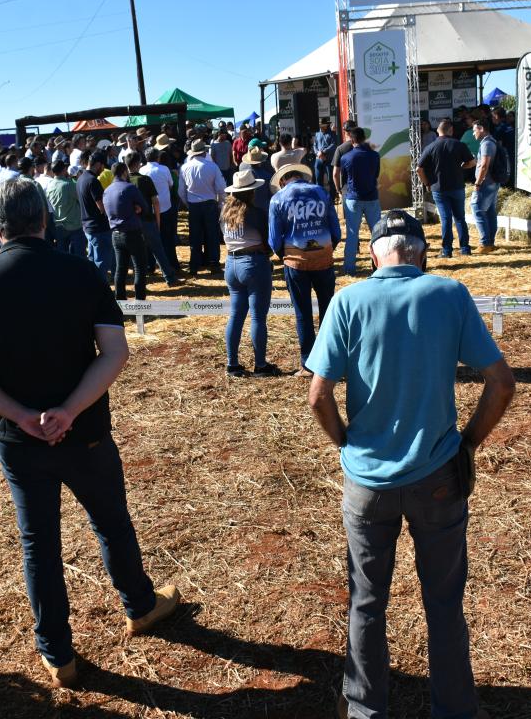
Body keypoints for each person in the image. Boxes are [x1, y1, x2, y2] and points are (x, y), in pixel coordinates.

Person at [0, 180, 180, 690]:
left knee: (39, 544)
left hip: (19, 439)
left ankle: (58, 653)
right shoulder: (81, 271)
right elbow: (115, 352)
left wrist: (22, 416)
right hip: (86, 431)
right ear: (44, 220)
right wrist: (69, 411)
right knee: (111, 522)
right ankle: (140, 605)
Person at [306, 210, 514, 719]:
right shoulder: (449, 294)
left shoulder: (348, 300)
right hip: (438, 475)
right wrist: (468, 444)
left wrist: (345, 443)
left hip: (366, 481)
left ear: (373, 254)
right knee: (443, 602)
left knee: (366, 600)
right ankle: (456, 710)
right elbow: (502, 383)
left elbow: (318, 396)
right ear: (422, 254)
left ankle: (364, 709)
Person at [268, 163, 341, 376]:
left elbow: (274, 238)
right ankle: (331, 361)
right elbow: (335, 229)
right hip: (323, 259)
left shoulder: (278, 199)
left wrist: (283, 255)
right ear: (301, 175)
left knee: (303, 313)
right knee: (328, 310)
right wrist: (328, 248)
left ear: (283, 180)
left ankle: (308, 364)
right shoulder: (320, 192)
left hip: (295, 262)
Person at [220, 170, 282, 377]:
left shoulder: (224, 214)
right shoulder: (256, 213)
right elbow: (268, 243)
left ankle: (232, 364)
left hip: (231, 264)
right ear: (252, 192)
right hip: (253, 263)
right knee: (257, 317)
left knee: (236, 315)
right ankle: (260, 365)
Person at [417, 120, 477, 258]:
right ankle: (465, 249)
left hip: (439, 188)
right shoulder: (459, 145)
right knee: (460, 218)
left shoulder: (431, 147)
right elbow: (472, 162)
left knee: (446, 219)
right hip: (457, 186)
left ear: (438, 131)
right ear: (451, 130)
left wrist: (426, 183)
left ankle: (446, 251)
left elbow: (419, 169)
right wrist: (462, 167)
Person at [127, 152, 180, 286]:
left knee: (137, 252)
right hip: (147, 219)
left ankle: (143, 276)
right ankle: (169, 277)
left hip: (132, 222)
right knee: (158, 249)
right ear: (138, 163)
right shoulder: (145, 179)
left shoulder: (125, 181)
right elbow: (155, 202)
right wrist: (158, 220)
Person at [102, 163, 152, 301]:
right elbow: (145, 208)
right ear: (124, 172)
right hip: (132, 233)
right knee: (139, 268)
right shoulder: (129, 188)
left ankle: (120, 300)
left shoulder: (107, 190)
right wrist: (137, 209)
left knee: (120, 269)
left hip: (116, 234)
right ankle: (140, 302)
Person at [338, 127, 383, 276]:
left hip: (353, 198)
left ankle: (349, 269)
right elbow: (376, 175)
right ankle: (380, 266)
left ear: (351, 140)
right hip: (371, 197)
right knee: (377, 234)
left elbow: (344, 179)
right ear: (364, 138)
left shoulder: (346, 157)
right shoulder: (375, 155)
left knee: (352, 234)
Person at [179, 140, 226, 275]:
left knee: (195, 236)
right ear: (204, 152)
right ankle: (214, 264)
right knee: (212, 235)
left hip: (194, 204)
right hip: (210, 203)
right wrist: (220, 204)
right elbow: (221, 188)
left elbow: (181, 191)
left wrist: (188, 204)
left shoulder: (185, 167)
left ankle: (194, 265)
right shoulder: (212, 167)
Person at [77, 153, 115, 280]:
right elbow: (102, 207)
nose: (103, 170)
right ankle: (99, 288)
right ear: (98, 164)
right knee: (102, 263)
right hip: (99, 229)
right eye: (103, 166)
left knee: (93, 261)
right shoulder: (93, 181)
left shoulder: (80, 179)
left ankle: (92, 286)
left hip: (88, 227)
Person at [141, 148, 179, 270]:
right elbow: (171, 185)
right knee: (167, 238)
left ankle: (150, 265)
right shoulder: (164, 169)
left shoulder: (142, 170)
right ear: (158, 157)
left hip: (149, 209)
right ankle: (171, 263)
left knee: (149, 239)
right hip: (165, 208)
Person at [470, 117, 504, 253]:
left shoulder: (487, 144)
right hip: (492, 182)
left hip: (486, 183)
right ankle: (490, 243)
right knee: (489, 212)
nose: (473, 133)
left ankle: (485, 243)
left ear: (481, 129)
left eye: (474, 130)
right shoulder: (491, 141)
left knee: (477, 208)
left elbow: (484, 165)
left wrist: (478, 183)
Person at [42, 161, 86, 258]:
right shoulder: (69, 184)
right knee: (80, 257)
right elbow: (81, 201)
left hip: (59, 226)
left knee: (63, 257)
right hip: (75, 226)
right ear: (64, 170)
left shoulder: (49, 186)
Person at [330, 120, 359, 203]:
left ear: (345, 132)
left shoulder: (340, 149)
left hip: (348, 189)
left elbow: (335, 174)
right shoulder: (365, 146)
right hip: (365, 188)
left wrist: (338, 190)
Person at [312, 119, 337, 191]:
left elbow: (333, 145)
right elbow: (314, 145)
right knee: (318, 180)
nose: (322, 127)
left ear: (326, 125)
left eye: (323, 125)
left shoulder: (332, 133)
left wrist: (323, 152)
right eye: (321, 125)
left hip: (328, 159)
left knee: (331, 180)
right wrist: (318, 153)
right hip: (318, 159)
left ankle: (332, 196)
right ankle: (320, 195)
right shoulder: (317, 133)